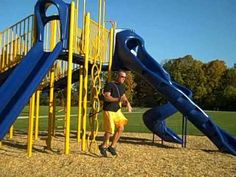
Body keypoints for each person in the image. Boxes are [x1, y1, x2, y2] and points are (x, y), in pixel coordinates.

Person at [99, 70, 132, 157]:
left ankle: (112, 146)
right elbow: (106, 97)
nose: (123, 79)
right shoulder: (110, 85)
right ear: (117, 76)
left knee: (121, 128)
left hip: (117, 110)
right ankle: (103, 146)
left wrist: (128, 103)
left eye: (124, 77)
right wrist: (118, 99)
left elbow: (123, 96)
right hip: (109, 110)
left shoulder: (122, 86)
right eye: (122, 77)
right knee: (110, 131)